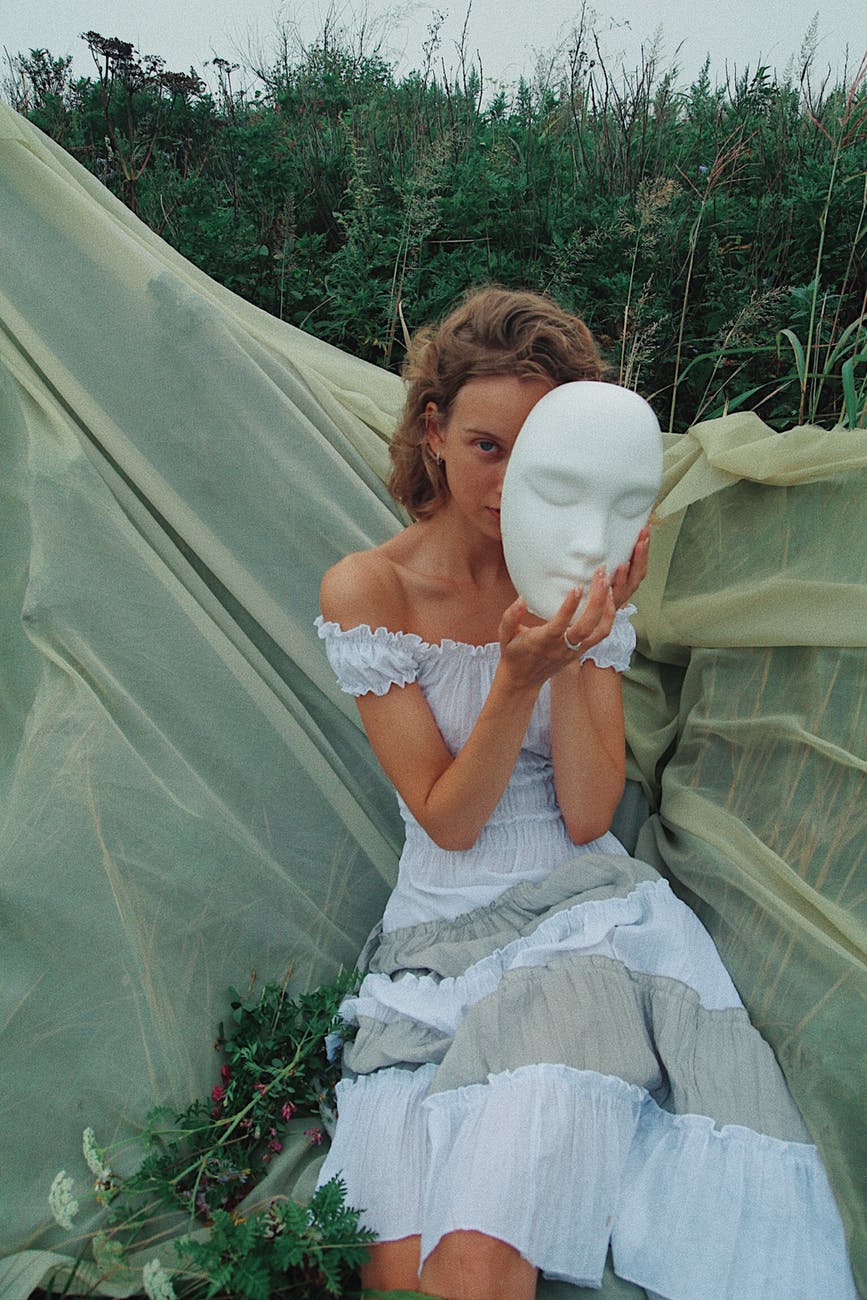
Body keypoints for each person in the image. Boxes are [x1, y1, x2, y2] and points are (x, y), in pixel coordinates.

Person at [313, 287, 854, 1300]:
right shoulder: (370, 593)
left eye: (542, 458)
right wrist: (513, 675)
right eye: (486, 446)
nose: (509, 482)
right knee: (392, 1263)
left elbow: (589, 813)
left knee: (476, 1260)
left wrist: (573, 637)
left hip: (575, 921)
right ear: (432, 432)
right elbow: (449, 818)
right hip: (439, 923)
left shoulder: (576, 567)